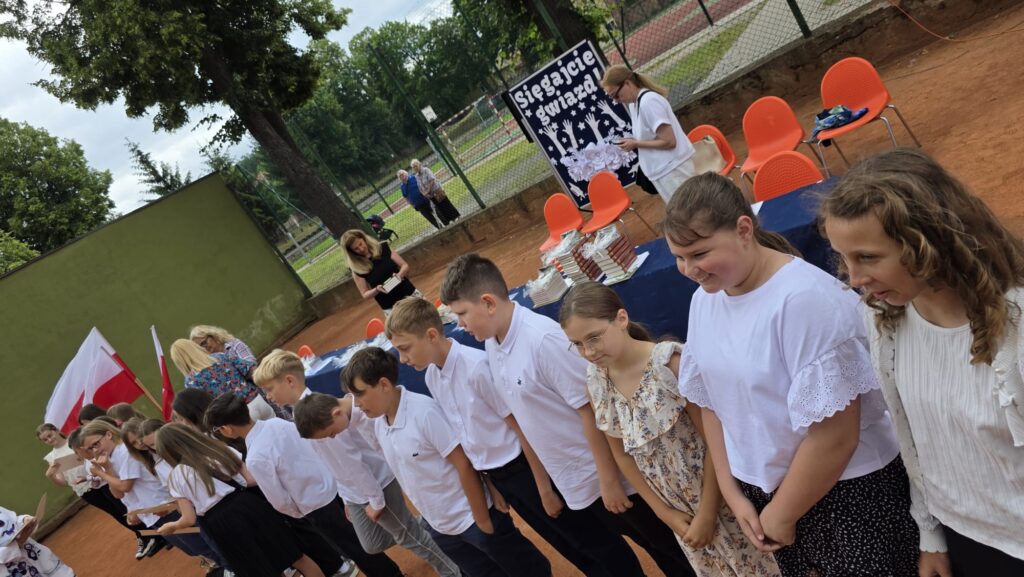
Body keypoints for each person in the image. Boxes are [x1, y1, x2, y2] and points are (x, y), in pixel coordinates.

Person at [665, 171, 918, 576]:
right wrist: (733, 490)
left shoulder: (804, 301)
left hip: (847, 494)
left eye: (699, 253)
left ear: (743, 229)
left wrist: (781, 513)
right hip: (768, 497)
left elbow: (836, 437)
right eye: (679, 257)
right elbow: (711, 401)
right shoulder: (704, 300)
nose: (689, 268)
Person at [820, 149, 1024, 576]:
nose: (854, 279)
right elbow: (912, 435)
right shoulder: (883, 318)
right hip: (964, 536)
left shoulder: (1015, 327)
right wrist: (930, 534)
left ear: (927, 241)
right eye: (844, 257)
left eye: (868, 257)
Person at [440, 254, 687, 577]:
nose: (460, 324)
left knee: (667, 548)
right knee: (626, 549)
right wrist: (547, 484)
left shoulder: (542, 340)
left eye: (462, 313)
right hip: (578, 483)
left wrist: (609, 480)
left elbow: (593, 409)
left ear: (487, 302)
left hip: (611, 478)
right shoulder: (492, 344)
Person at [385, 296, 652, 576]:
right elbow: (472, 439)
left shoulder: (475, 367)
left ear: (431, 335)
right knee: (567, 545)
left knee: (593, 541)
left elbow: (520, 427)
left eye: (405, 348)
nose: (403, 359)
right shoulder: (432, 377)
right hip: (503, 479)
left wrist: (544, 487)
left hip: (527, 469)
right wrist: (493, 485)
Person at [560, 281, 781, 576]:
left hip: (725, 502)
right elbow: (622, 454)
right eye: (577, 344)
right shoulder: (596, 383)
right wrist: (664, 513)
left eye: (594, 338)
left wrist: (707, 513)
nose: (588, 351)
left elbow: (716, 440)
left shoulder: (670, 364)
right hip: (680, 515)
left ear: (621, 319)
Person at [341, 347, 553, 577]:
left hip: (473, 518)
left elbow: (463, 462)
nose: (357, 403)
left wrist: (481, 518)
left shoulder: (424, 413)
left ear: (384, 384)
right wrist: (436, 527)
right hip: (441, 529)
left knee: (527, 570)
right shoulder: (379, 425)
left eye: (360, 394)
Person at [256, 349, 460, 577]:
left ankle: (452, 571)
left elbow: (352, 463)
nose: (268, 396)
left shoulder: (318, 414)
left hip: (376, 484)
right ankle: (416, 525)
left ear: (289, 381)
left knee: (408, 537)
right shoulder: (304, 412)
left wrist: (376, 500)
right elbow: (334, 465)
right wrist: (347, 496)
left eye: (269, 389)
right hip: (357, 490)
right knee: (372, 543)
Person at [204, 393, 402, 577]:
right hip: (335, 487)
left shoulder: (255, 456)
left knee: (354, 548)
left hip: (316, 506)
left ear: (227, 429)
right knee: (361, 541)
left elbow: (279, 500)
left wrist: (300, 511)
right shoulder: (276, 423)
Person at [154, 423, 326, 577]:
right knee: (296, 556)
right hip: (247, 505)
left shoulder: (176, 477)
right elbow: (251, 479)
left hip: (220, 525)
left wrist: (172, 526)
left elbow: (189, 519)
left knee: (264, 570)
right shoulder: (217, 450)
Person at [79, 420, 227, 568]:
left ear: (108, 435)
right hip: (152, 513)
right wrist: (107, 470)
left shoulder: (124, 453)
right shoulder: (108, 460)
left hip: (165, 506)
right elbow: (118, 494)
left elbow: (125, 486)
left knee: (201, 543)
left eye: (96, 444)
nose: (95, 450)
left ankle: (228, 566)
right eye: (90, 448)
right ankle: (222, 565)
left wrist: (101, 473)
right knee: (191, 548)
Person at [602, 64, 696, 204]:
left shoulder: (648, 102)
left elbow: (670, 141)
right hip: (665, 171)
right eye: (611, 97)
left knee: (693, 210)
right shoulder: (635, 104)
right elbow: (651, 135)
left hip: (674, 169)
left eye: (615, 94)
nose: (616, 100)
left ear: (627, 83)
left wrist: (635, 143)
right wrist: (634, 142)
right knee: (685, 212)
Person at [65, 428, 155, 559]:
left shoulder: (105, 455)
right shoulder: (89, 460)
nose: (77, 454)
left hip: (115, 486)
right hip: (110, 488)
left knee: (129, 512)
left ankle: (152, 536)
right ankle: (145, 536)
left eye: (76, 451)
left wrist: (99, 474)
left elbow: (119, 481)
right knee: (121, 514)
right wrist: (90, 478)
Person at [169, 339, 274, 421]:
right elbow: (248, 369)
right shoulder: (220, 356)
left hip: (240, 417)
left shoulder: (190, 381)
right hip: (258, 401)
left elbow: (205, 407)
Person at [340, 229, 419, 314]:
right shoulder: (356, 268)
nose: (361, 249)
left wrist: (399, 275)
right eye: (356, 249)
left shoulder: (383, 248)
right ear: (351, 252)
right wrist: (377, 289)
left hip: (409, 293)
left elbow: (405, 265)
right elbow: (365, 294)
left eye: (360, 244)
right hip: (391, 307)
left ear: (364, 239)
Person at [0, 506, 74, 577]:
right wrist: (18, 543)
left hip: (35, 555)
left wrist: (25, 520)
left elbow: (14, 519)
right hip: (14, 570)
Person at [411, 159, 460, 226]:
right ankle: (449, 220)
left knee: (445, 204)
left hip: (436, 191)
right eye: (413, 167)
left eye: (416, 166)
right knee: (440, 208)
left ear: (419, 165)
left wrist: (428, 190)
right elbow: (419, 186)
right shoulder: (416, 176)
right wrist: (424, 193)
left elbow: (432, 180)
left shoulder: (426, 170)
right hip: (430, 195)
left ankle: (455, 217)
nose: (415, 168)